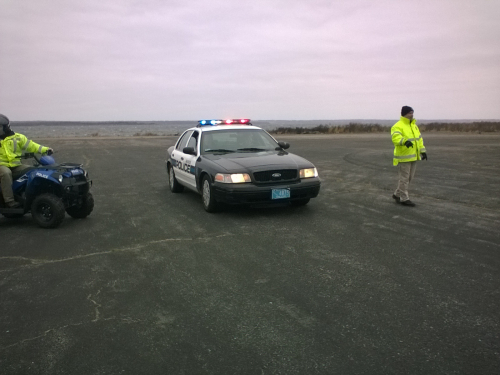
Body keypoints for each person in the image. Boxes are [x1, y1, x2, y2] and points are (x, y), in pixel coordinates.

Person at [0, 114, 53, 208]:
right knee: (5, 173)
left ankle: (28, 196)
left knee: (33, 171)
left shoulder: (17, 137)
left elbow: (31, 145)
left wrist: (45, 149)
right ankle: (9, 201)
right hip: (2, 166)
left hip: (15, 165)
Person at [391, 106, 427, 207]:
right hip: (404, 156)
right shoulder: (397, 126)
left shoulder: (414, 126)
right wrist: (404, 142)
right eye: (410, 113)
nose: (412, 115)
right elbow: (395, 137)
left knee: (409, 178)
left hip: (413, 156)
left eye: (412, 113)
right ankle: (404, 198)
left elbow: (419, 139)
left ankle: (397, 194)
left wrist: (423, 151)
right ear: (404, 114)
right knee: (404, 178)